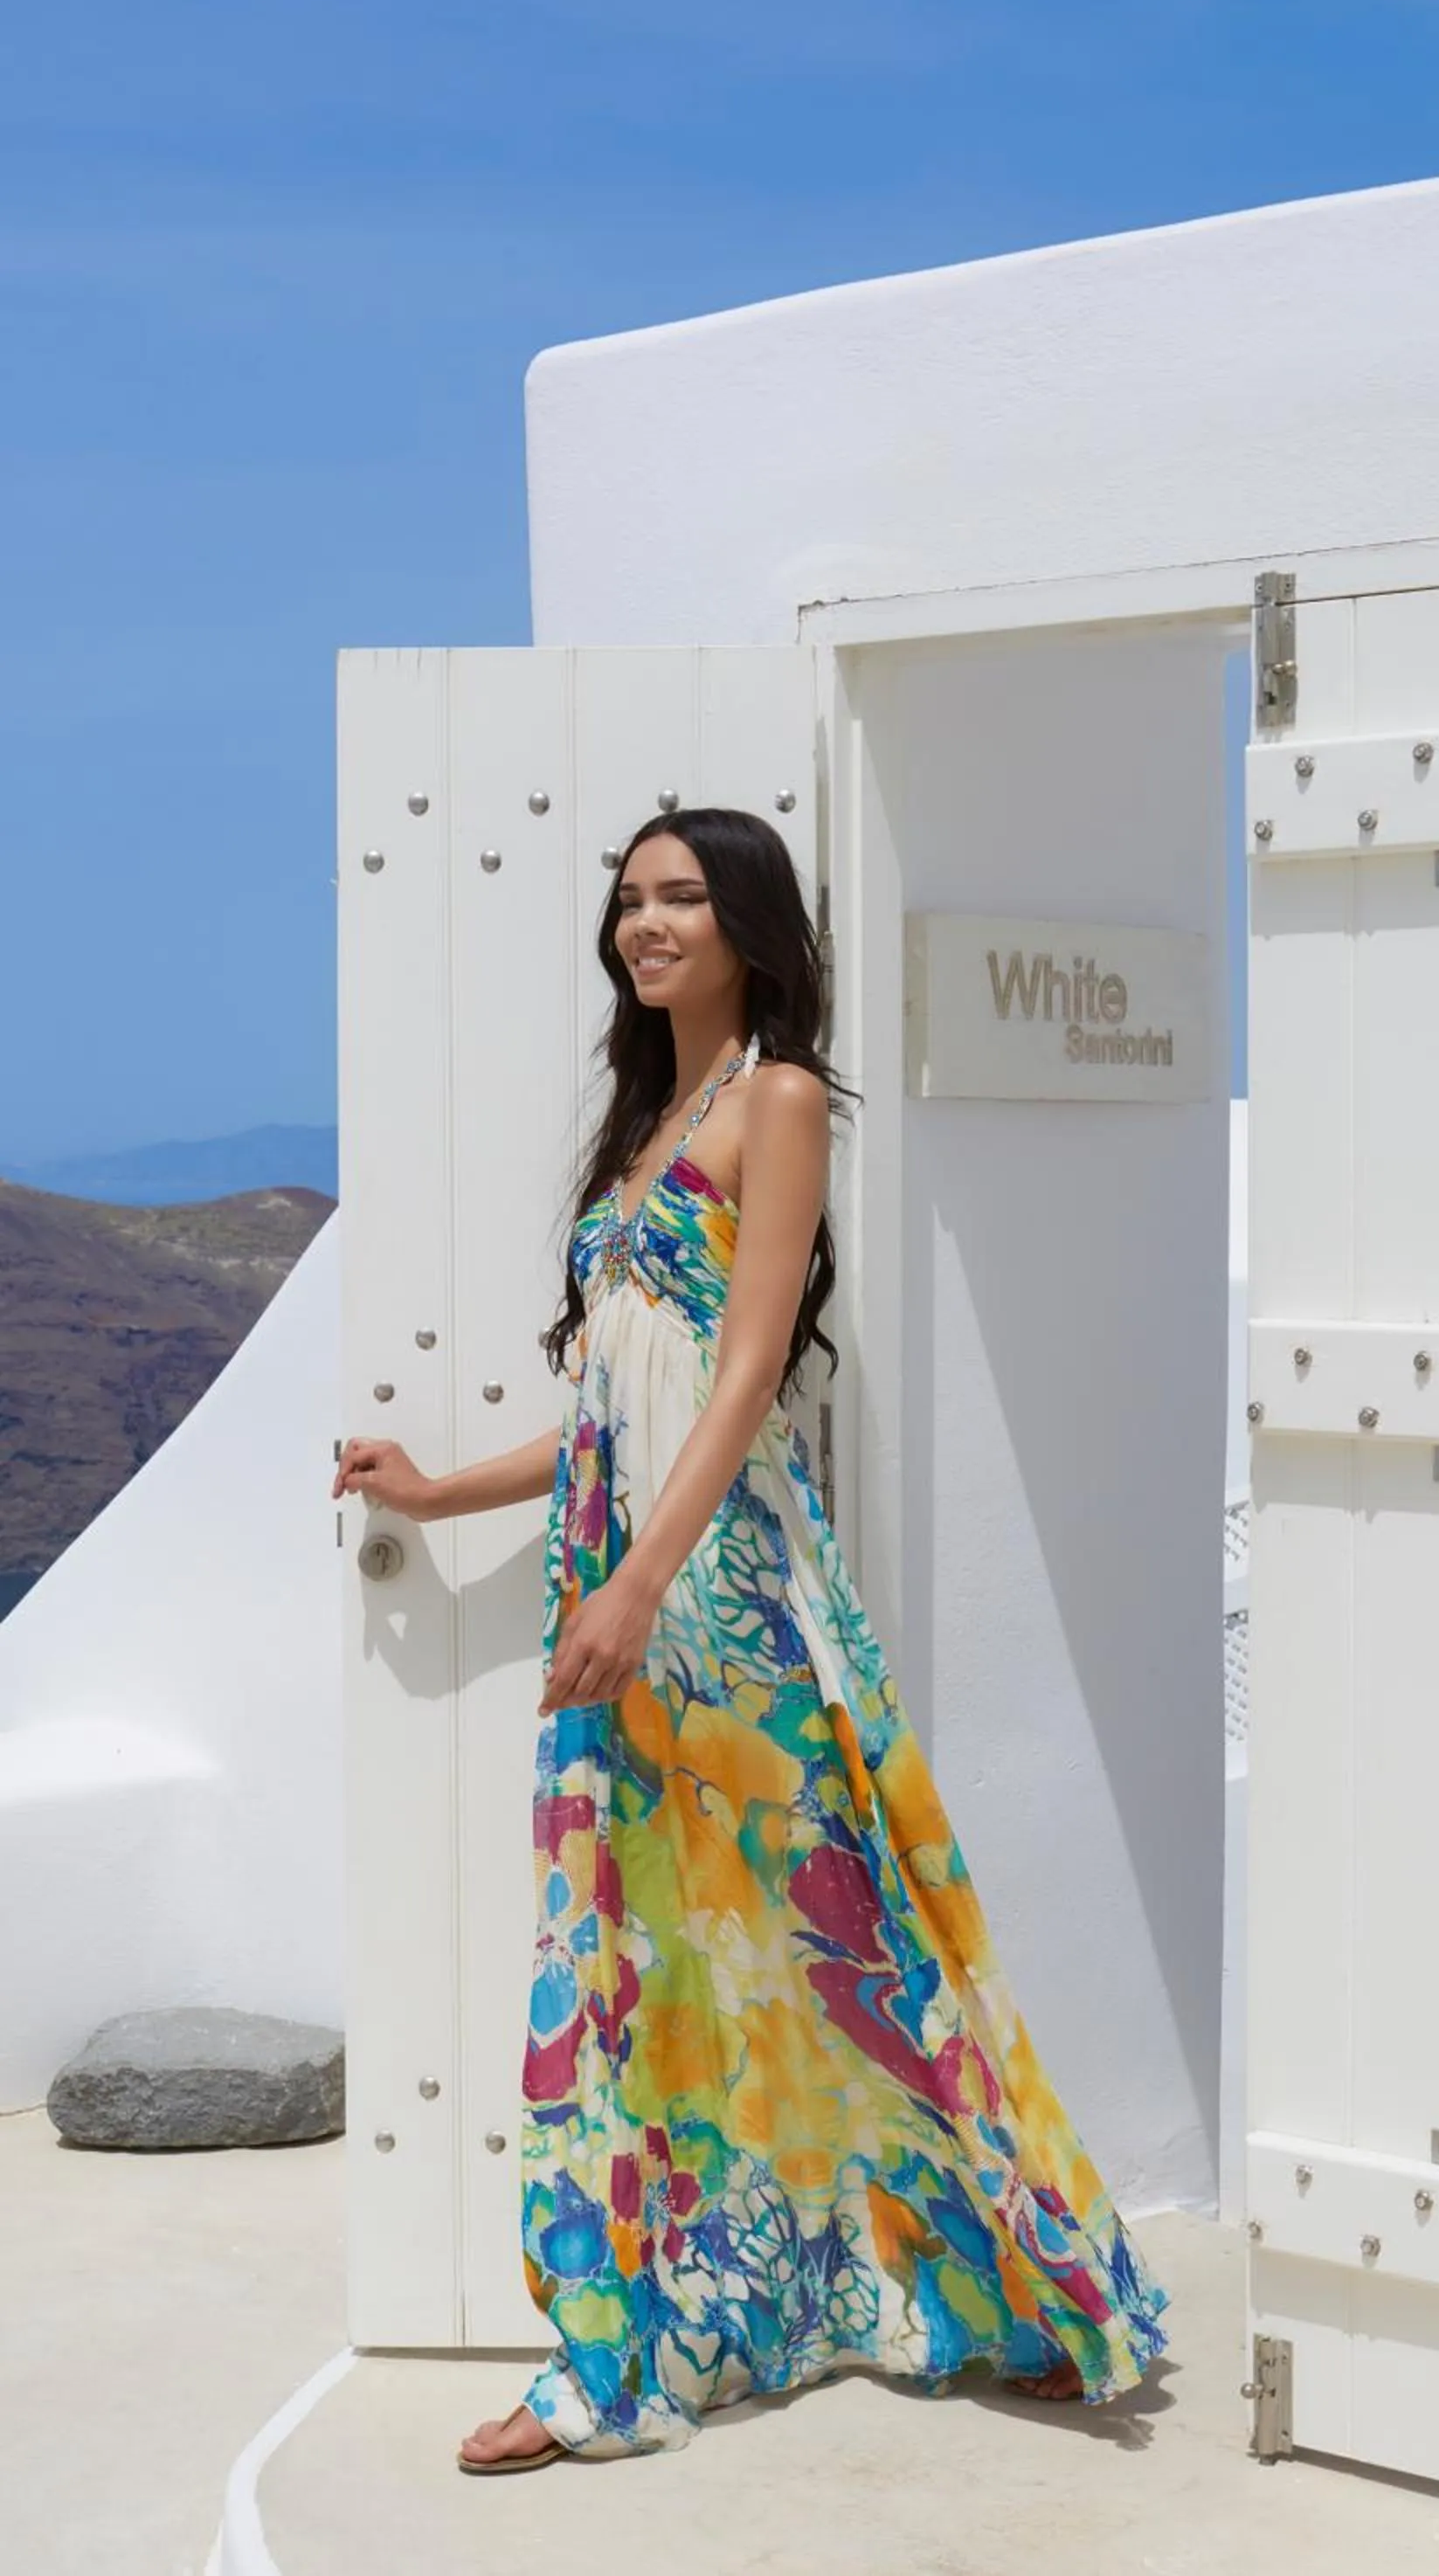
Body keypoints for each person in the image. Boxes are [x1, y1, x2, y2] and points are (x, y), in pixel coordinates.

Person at [331, 806, 1170, 2472]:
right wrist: (439, 1491)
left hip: (721, 1598)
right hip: (624, 1577)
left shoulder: (778, 1099)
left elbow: (745, 1375)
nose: (644, 926)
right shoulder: (650, 1124)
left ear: (748, 925)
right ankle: (633, 2342)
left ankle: (1025, 2290)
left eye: (681, 899)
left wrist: (643, 1586)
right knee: (642, 1954)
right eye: (629, 902)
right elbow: (610, 1405)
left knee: (858, 1945)